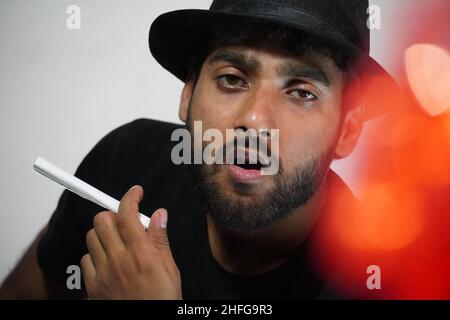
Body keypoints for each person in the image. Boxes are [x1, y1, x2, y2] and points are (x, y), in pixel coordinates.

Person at [0, 0, 394, 299]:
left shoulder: (374, 279)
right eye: (232, 79)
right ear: (188, 94)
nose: (255, 119)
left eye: (302, 92)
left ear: (348, 128)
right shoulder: (127, 163)